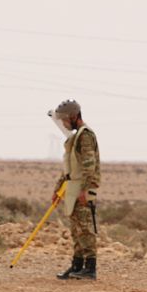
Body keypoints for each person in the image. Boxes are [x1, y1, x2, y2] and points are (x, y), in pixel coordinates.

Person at [49, 99, 100, 280]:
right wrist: (57, 190)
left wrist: (84, 191)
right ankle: (77, 265)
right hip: (72, 188)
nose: (63, 123)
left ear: (73, 116)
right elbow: (68, 169)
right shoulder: (75, 137)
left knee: (86, 229)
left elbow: (89, 166)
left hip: (82, 189)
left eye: (64, 119)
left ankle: (90, 267)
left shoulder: (85, 136)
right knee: (76, 229)